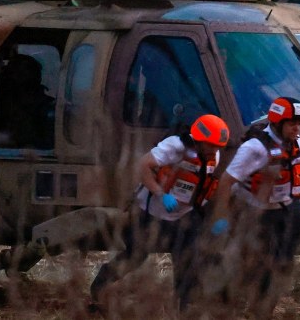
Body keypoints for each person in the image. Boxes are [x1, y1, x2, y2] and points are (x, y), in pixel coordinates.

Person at [91, 113, 232, 312]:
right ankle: (100, 285)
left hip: (184, 215)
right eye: (212, 146)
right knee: (136, 256)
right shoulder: (174, 146)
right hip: (152, 213)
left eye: (218, 147)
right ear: (200, 140)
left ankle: (183, 307)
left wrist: (213, 217)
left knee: (187, 260)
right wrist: (160, 194)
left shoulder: (213, 157)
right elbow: (143, 166)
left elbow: (203, 186)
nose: (215, 151)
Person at [209, 96, 300, 319]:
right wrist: (221, 217)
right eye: (292, 123)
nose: (297, 128)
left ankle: (262, 311)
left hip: (283, 211)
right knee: (246, 263)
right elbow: (226, 181)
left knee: (282, 264)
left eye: (299, 123)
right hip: (253, 213)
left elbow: (296, 175)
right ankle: (222, 302)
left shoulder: (297, 143)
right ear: (277, 123)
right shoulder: (254, 148)